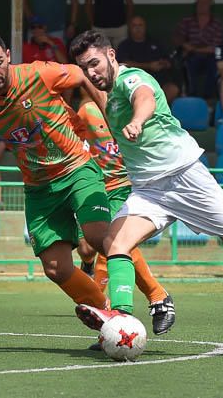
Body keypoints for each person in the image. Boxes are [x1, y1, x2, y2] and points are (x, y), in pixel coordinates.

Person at [69, 30, 223, 328]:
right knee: (114, 244)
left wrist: (137, 122)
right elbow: (92, 90)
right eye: (84, 67)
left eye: (95, 63)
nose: (91, 72)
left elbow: (144, 98)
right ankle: (122, 318)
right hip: (148, 191)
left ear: (111, 55)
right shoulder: (109, 97)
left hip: (184, 178)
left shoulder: (133, 79)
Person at [0, 31, 173, 335]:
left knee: (99, 237)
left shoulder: (40, 73)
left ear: (9, 55)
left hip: (77, 168)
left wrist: (109, 113)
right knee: (55, 268)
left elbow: (80, 75)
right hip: (39, 188)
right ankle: (109, 317)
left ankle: (154, 299)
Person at [70, 87, 174, 338]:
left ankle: (123, 314)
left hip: (124, 186)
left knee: (114, 245)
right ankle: (152, 300)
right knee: (101, 248)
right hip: (99, 187)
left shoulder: (109, 108)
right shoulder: (88, 112)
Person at [116, 16, 180, 105]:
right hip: (135, 82)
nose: (138, 28)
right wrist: (149, 65)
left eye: (140, 25)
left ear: (145, 27)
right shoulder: (124, 45)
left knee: (172, 89)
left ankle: (156, 110)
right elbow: (123, 64)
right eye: (134, 26)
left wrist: (165, 63)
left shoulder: (156, 42)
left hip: (158, 80)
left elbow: (168, 59)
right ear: (129, 28)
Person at [173, 0, 223, 99]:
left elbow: (215, 47)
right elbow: (177, 38)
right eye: (199, 2)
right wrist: (184, 44)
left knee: (215, 64)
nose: (201, 5)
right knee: (188, 63)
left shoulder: (216, 23)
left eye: (205, 3)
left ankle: (208, 99)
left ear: (210, 5)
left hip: (209, 56)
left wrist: (194, 49)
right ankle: (192, 96)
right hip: (190, 55)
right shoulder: (187, 21)